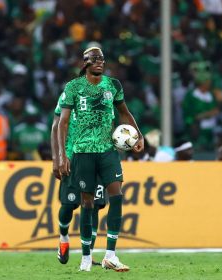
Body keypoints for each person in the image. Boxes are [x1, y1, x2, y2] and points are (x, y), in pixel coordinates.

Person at [58, 47, 144, 272]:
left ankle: (111, 255)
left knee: (116, 195)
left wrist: (139, 135)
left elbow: (124, 112)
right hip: (83, 152)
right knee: (87, 204)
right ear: (85, 62)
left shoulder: (113, 85)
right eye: (95, 59)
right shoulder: (73, 87)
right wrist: (60, 156)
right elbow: (62, 123)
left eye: (102, 59)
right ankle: (86, 258)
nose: (100, 62)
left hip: (107, 150)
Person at [51, 94, 107, 266]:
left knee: (95, 205)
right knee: (68, 205)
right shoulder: (69, 93)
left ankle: (88, 255)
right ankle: (64, 238)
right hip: (72, 158)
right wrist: (57, 157)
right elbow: (55, 126)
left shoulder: (104, 94)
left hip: (96, 156)